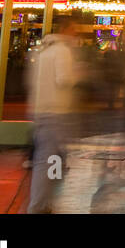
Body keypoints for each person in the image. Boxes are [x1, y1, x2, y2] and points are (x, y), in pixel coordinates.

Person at [28, 16, 80, 213]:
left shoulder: (43, 51)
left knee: (53, 159)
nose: (75, 33)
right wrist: (78, 74)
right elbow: (64, 80)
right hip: (56, 111)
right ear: (66, 29)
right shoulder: (62, 51)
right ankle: (38, 205)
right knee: (47, 161)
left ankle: (47, 201)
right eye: (74, 28)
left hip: (42, 110)